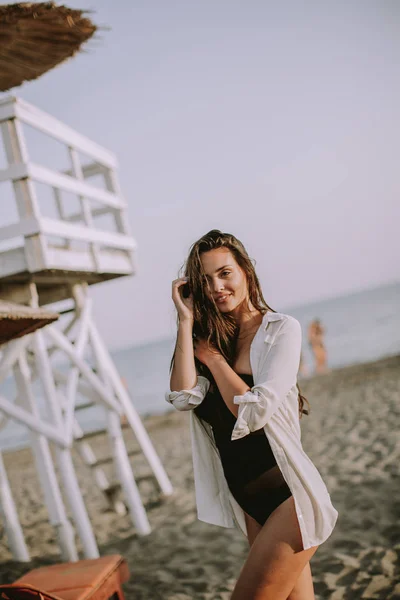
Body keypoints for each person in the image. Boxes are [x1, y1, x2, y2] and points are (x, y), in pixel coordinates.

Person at [166, 230, 338, 600]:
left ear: (246, 270)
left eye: (225, 273)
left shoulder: (280, 330)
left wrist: (212, 359)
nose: (217, 287)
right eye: (206, 280)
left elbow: (255, 410)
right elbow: (182, 397)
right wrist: (184, 321)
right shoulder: (209, 335)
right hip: (250, 504)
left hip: (289, 498)